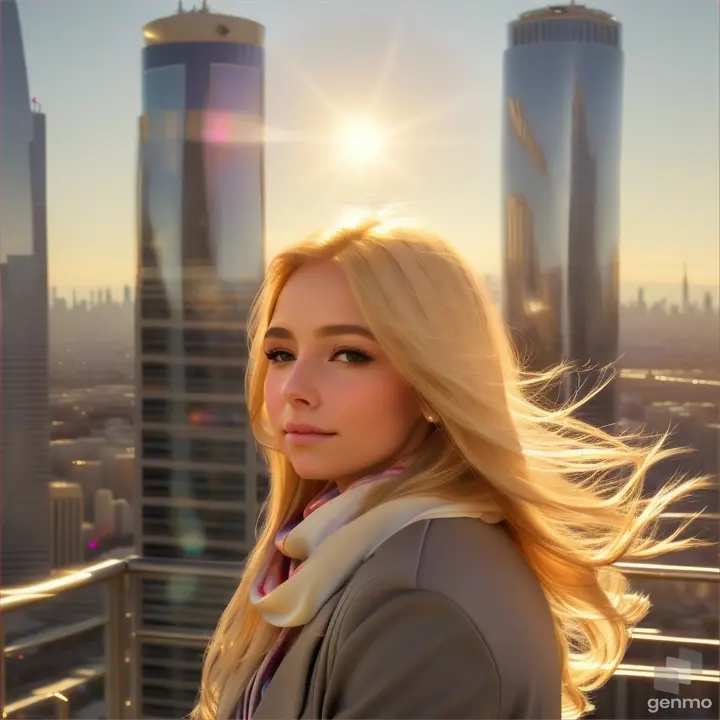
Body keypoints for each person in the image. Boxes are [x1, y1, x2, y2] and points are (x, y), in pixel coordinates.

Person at [192, 217, 706, 720]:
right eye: (280, 353)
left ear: (432, 382)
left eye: (349, 355)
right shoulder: (343, 550)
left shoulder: (419, 608)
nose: (293, 389)